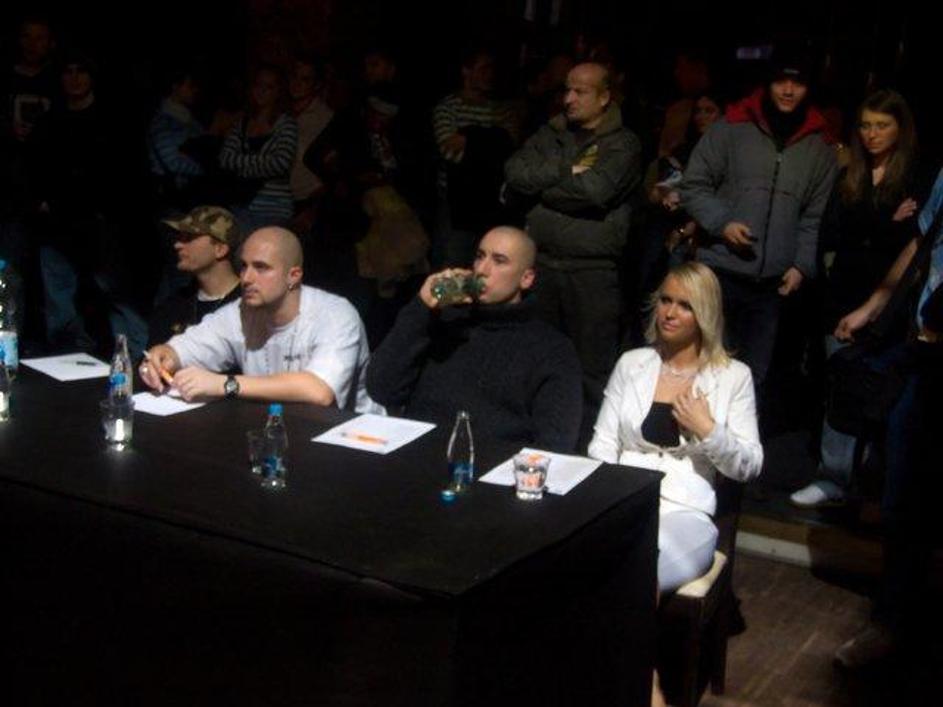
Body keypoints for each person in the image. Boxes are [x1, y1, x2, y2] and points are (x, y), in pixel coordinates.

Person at [790, 89, 930, 508]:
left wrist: (880, 226)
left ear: (900, 129)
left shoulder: (916, 177)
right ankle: (833, 476)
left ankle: (869, 482)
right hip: (843, 295)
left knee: (883, 393)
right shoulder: (849, 175)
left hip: (892, 302)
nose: (872, 134)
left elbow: (913, 243)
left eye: (882, 125)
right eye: (866, 125)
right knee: (842, 388)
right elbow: (836, 233)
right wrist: (886, 221)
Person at [588, 262, 763, 592]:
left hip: (685, 512)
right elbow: (603, 443)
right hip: (624, 499)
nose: (669, 313)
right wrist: (611, 497)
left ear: (705, 314)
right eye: (665, 300)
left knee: (638, 573)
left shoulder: (733, 376)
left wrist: (709, 430)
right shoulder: (632, 364)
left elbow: (749, 465)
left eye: (685, 306)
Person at [830, 166, 943, 668]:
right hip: (925, 354)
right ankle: (892, 622)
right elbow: (923, 240)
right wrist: (877, 303)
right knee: (902, 496)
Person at [680, 51, 837, 392]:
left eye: (798, 83)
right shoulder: (732, 127)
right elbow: (693, 185)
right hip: (718, 272)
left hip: (770, 287)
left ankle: (737, 429)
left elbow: (814, 215)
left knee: (750, 381)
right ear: (768, 82)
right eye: (781, 80)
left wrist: (801, 264)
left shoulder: (819, 146)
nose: (788, 90)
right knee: (703, 370)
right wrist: (723, 223)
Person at [504, 61, 641, 442]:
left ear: (604, 97)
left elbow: (596, 192)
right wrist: (568, 170)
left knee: (591, 369)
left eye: (580, 91)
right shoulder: (552, 133)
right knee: (535, 356)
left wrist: (541, 187)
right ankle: (534, 436)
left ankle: (587, 446)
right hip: (543, 265)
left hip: (591, 271)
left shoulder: (622, 143)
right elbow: (514, 172)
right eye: (567, 89)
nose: (569, 99)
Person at [367, 226, 582, 451]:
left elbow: (556, 442)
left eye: (499, 261)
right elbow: (382, 388)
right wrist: (421, 308)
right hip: (418, 455)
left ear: (526, 278)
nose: (482, 269)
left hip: (493, 465)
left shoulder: (550, 349)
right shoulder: (444, 322)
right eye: (480, 256)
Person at [140, 227, 376, 412]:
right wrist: (165, 356)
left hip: (352, 438)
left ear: (293, 276)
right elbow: (185, 349)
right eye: (244, 267)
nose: (246, 278)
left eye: (261, 267)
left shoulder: (335, 314)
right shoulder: (239, 312)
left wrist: (226, 384)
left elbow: (319, 391)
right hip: (279, 429)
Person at [432, 48, 515, 266]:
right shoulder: (448, 107)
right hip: (455, 198)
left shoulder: (500, 110)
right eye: (483, 68)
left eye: (491, 69)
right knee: (453, 260)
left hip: (490, 197)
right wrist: (492, 140)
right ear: (466, 71)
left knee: (483, 262)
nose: (489, 74)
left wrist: (468, 137)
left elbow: (508, 149)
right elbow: (449, 152)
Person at [147, 206, 243, 346]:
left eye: (189, 238)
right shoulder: (173, 306)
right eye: (180, 237)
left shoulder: (250, 305)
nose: (177, 245)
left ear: (220, 249)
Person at [218, 65, 298, 233]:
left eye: (268, 87)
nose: (261, 91)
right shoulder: (242, 124)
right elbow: (225, 159)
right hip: (241, 205)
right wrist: (264, 162)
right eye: (258, 85)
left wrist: (243, 168)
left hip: (274, 209)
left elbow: (280, 163)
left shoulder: (286, 124)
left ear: (278, 92)